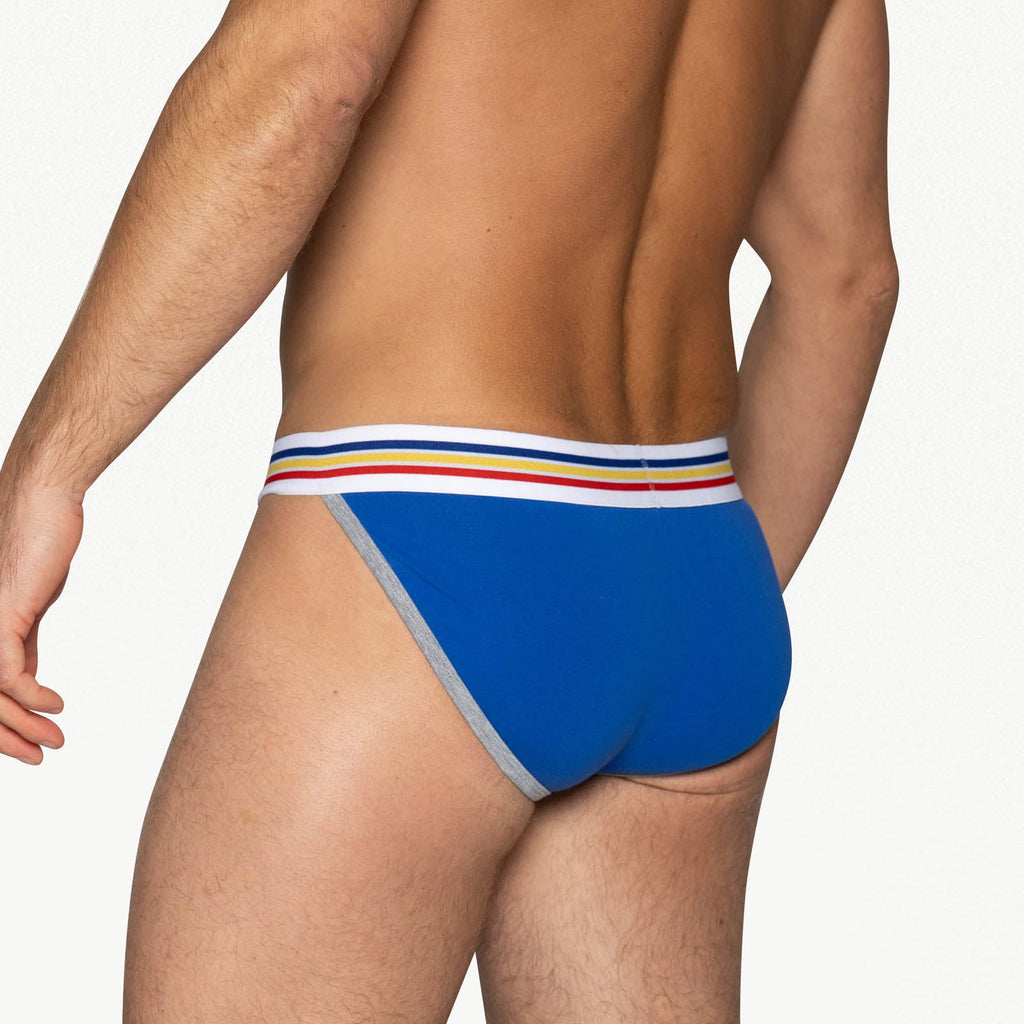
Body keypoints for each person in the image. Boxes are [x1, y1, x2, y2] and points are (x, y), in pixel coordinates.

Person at [0, 0, 898, 1019]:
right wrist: (663, 601)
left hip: (434, 523)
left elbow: (307, 74)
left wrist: (46, 472)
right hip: (694, 557)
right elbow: (847, 278)